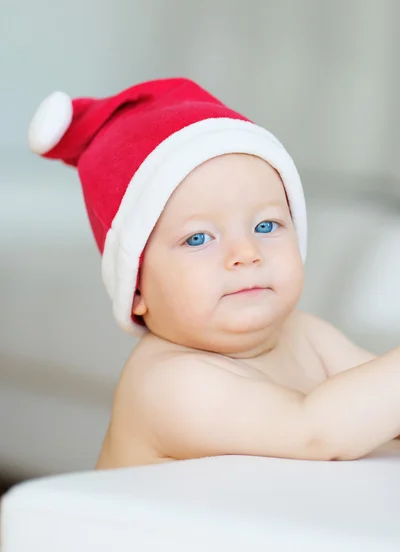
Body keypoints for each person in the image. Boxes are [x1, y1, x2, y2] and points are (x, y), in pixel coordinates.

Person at [28, 77, 400, 468]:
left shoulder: (308, 335)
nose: (245, 253)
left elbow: (384, 408)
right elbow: (317, 433)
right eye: (199, 238)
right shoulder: (169, 383)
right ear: (137, 292)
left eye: (266, 226)